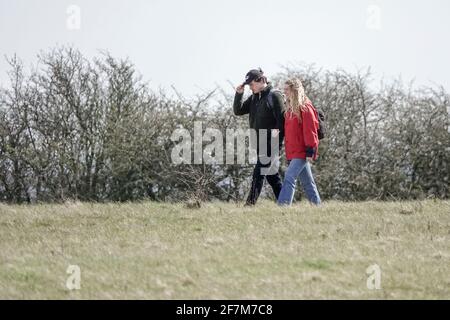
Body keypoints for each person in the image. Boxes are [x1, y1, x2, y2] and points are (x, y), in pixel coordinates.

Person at [233, 68, 285, 206]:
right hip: (259, 143)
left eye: (252, 84)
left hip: (271, 144)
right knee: (272, 177)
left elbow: (282, 122)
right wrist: (239, 94)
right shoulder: (255, 97)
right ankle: (285, 202)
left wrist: (276, 143)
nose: (250, 87)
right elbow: (238, 111)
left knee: (258, 173)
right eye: (248, 85)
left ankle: (249, 205)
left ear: (261, 80)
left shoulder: (274, 95)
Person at [277, 78, 321, 206]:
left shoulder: (305, 108)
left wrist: (310, 151)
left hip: (302, 151)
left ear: (294, 91)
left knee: (289, 177)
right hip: (292, 151)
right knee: (308, 183)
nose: (284, 92)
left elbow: (310, 130)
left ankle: (283, 207)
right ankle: (317, 206)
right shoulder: (289, 110)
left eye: (286, 89)